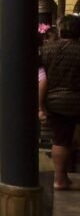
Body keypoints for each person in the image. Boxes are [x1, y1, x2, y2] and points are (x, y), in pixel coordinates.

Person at [42, 15, 80, 190]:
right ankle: (63, 176)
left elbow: (42, 78)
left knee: (61, 139)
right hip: (75, 100)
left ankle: (61, 177)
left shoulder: (48, 49)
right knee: (66, 139)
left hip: (55, 101)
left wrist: (40, 105)